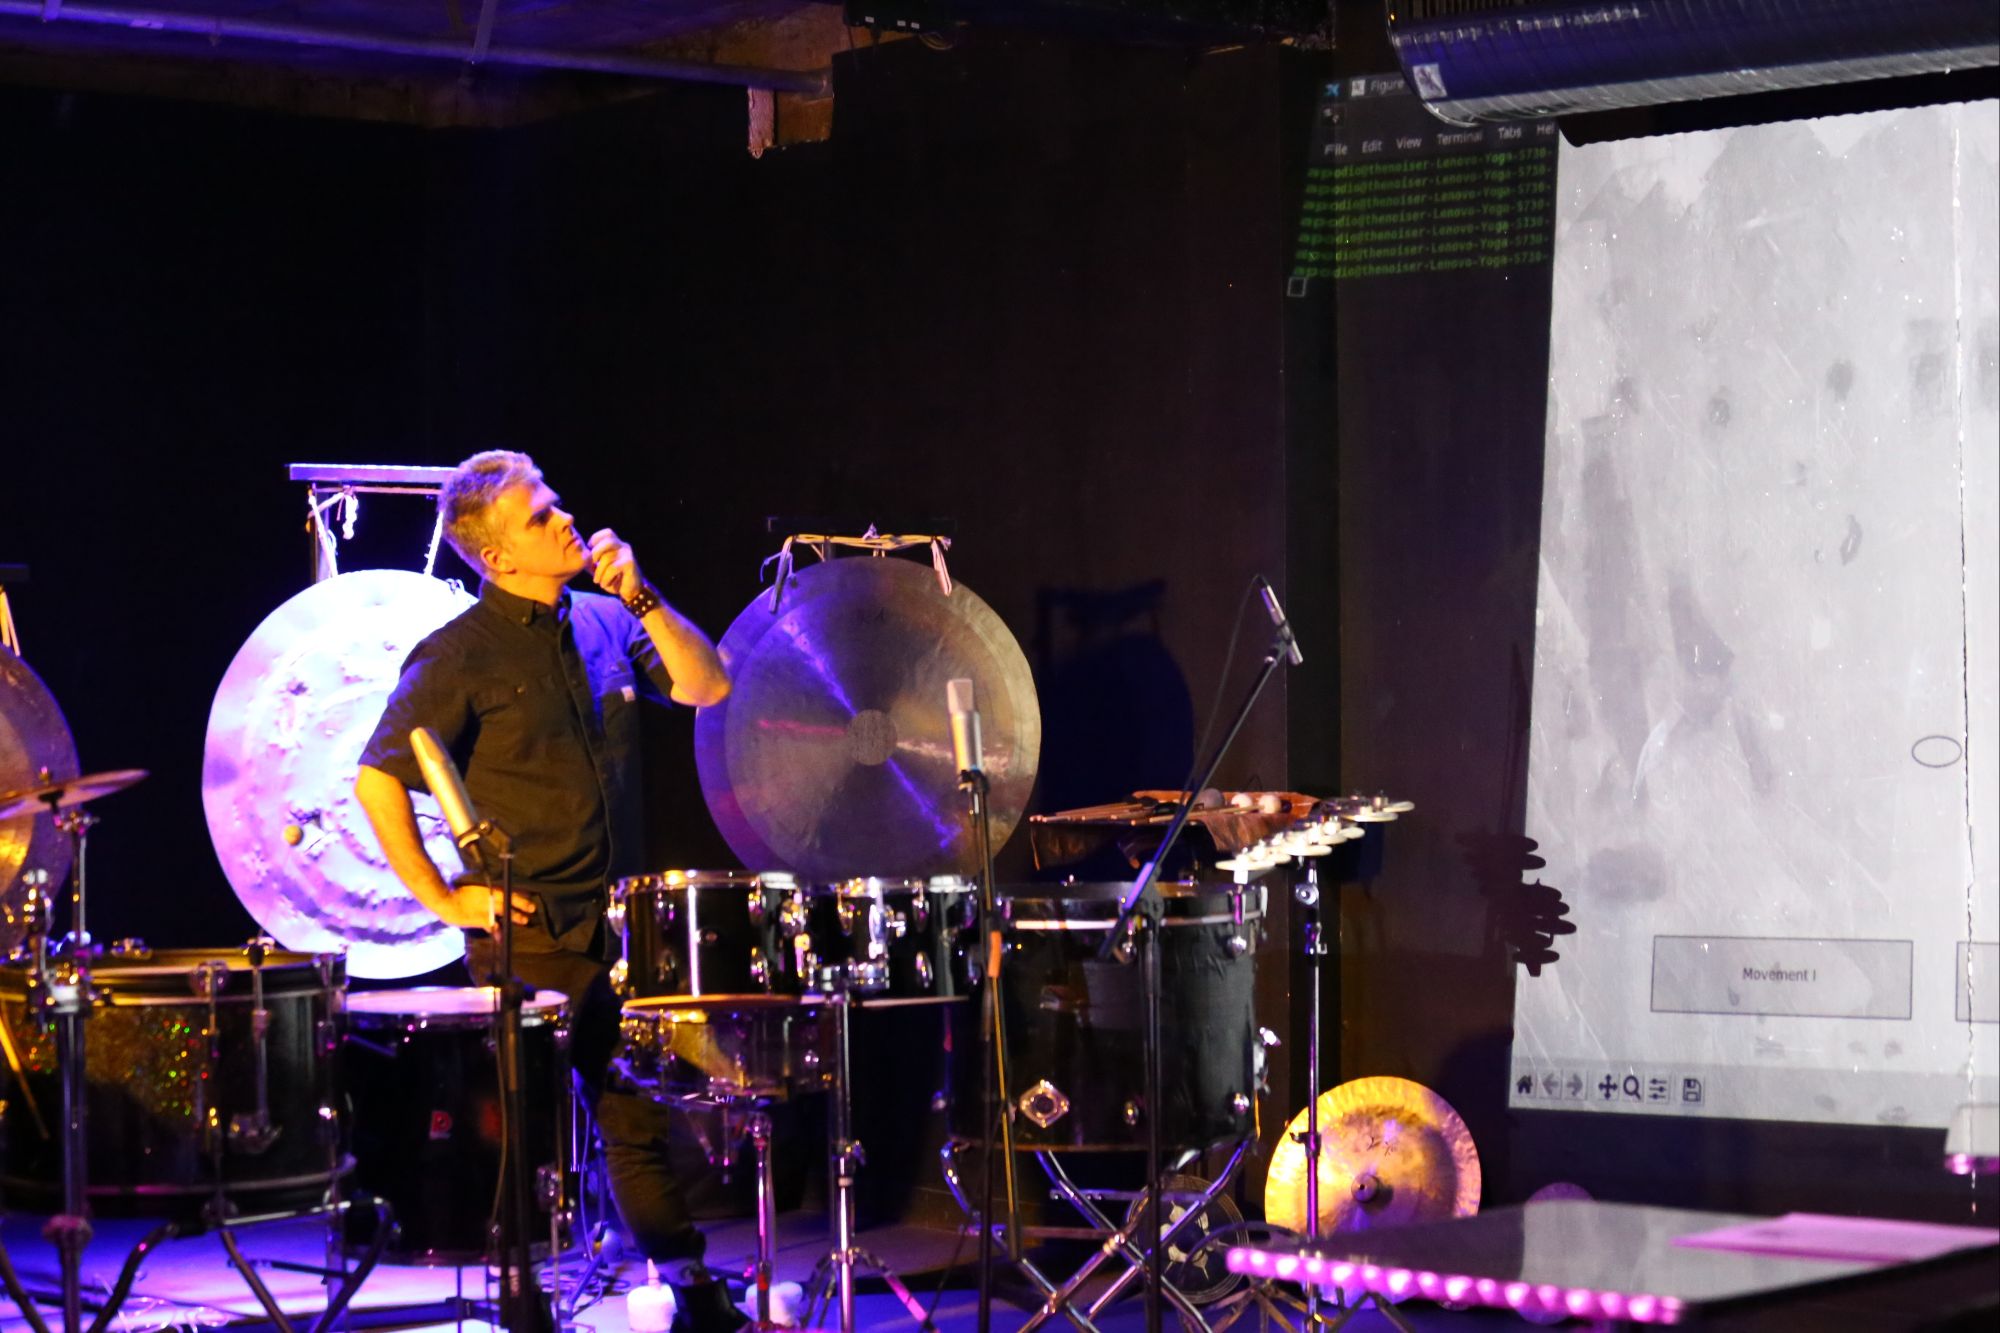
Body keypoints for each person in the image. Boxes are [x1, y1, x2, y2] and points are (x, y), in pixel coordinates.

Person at [353, 450, 743, 1333]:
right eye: (540, 516)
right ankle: (530, 1302)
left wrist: (643, 596)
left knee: (634, 1116)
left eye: (557, 503)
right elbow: (378, 777)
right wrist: (447, 901)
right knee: (529, 1133)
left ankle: (691, 1291)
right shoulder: (457, 654)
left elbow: (708, 684)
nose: (565, 519)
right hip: (528, 932)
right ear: (497, 556)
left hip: (618, 926)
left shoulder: (607, 620)